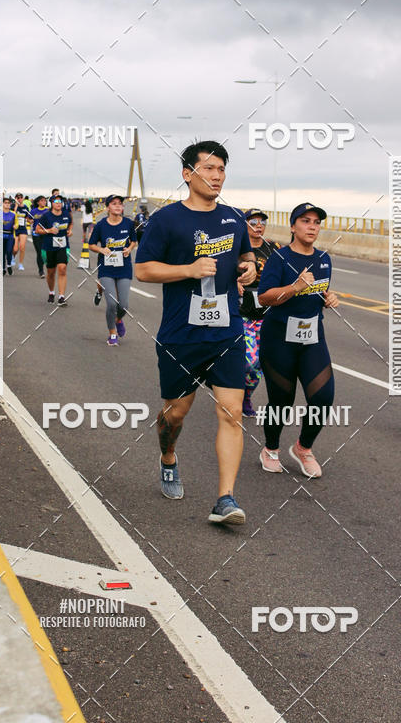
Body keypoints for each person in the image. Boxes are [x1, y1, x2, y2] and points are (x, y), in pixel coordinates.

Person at [135, 140, 256, 525]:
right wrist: (187, 270)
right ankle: (168, 457)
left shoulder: (234, 218)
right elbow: (143, 270)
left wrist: (249, 267)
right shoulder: (166, 220)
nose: (217, 176)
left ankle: (225, 499)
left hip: (227, 330)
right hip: (181, 334)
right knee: (175, 414)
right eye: (209, 169)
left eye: (222, 169)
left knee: (232, 412)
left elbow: (244, 253)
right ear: (188, 174)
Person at [257, 203, 339, 477]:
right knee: (281, 400)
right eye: (305, 221)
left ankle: (303, 448)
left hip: (312, 336)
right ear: (293, 226)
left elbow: (318, 294)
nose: (312, 226)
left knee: (324, 397)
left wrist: (329, 298)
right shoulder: (279, 259)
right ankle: (270, 449)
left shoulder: (324, 259)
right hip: (279, 337)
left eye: (316, 222)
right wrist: (294, 287)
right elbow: (265, 297)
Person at [238, 208, 280, 418]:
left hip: (267, 316)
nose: (258, 225)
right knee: (249, 360)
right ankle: (230, 390)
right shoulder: (236, 249)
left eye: (262, 221)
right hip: (241, 314)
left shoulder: (274, 248)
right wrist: (232, 283)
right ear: (244, 225)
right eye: (253, 222)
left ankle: (246, 395)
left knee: (261, 363)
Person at [89, 195, 137, 345]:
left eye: (120, 204)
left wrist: (129, 249)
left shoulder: (129, 224)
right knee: (111, 304)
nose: (118, 206)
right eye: (114, 203)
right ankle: (112, 334)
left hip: (124, 268)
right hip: (106, 269)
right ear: (108, 207)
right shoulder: (101, 225)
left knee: (123, 305)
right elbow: (91, 244)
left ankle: (117, 320)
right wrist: (102, 249)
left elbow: (134, 241)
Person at [37, 195, 72, 305]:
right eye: (56, 201)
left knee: (62, 268)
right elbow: (37, 230)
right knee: (51, 273)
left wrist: (69, 231)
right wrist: (49, 230)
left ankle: (61, 297)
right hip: (49, 247)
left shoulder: (66, 214)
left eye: (60, 201)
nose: (58, 203)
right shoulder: (46, 216)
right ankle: (51, 292)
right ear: (51, 203)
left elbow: (70, 223)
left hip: (63, 246)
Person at [29, 195, 48, 277]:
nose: (44, 202)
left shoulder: (48, 211)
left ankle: (48, 266)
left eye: (45, 201)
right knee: (39, 252)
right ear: (38, 202)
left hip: (46, 233)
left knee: (46, 252)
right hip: (36, 234)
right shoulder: (33, 211)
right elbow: (28, 219)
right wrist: (30, 220)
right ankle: (41, 271)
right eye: (42, 200)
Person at [13, 192, 31, 270]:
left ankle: (20, 264)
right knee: (15, 249)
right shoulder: (13, 206)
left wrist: (30, 221)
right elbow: (13, 214)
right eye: (18, 198)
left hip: (23, 228)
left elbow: (27, 217)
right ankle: (13, 257)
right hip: (15, 229)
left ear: (23, 198)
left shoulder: (26, 208)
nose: (19, 199)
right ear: (15, 199)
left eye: (21, 197)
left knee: (22, 247)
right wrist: (16, 206)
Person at [1, 196, 16, 275]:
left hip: (10, 235)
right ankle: (3, 268)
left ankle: (9, 265)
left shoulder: (13, 214)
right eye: (5, 203)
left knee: (9, 251)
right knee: (2, 253)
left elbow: (16, 223)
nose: (7, 204)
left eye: (8, 203)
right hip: (1, 235)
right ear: (2, 204)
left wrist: (15, 226)